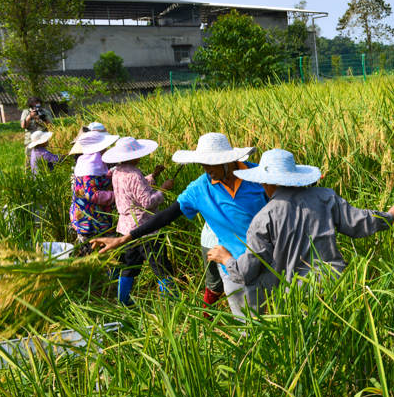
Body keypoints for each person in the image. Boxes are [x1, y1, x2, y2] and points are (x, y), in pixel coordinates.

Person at [93, 133, 267, 320]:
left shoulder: (258, 176)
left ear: (228, 160)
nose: (208, 170)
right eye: (203, 164)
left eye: (212, 163)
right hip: (234, 267)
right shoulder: (200, 189)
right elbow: (167, 215)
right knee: (248, 324)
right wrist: (125, 238)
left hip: (270, 261)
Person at [206, 149, 394, 298]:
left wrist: (226, 259)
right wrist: (389, 216)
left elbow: (247, 272)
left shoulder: (263, 219)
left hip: (297, 297)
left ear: (266, 182)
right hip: (335, 287)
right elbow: (358, 222)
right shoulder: (325, 197)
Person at [101, 136, 174, 305]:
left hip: (125, 229)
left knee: (129, 266)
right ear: (133, 156)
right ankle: (171, 302)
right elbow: (147, 202)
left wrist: (153, 175)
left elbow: (133, 189)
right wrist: (163, 189)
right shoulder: (134, 174)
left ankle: (123, 301)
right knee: (160, 266)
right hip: (145, 229)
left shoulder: (117, 171)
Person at [69, 131, 119, 254]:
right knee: (92, 251)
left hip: (90, 215)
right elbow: (92, 194)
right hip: (91, 219)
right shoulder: (89, 167)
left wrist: (111, 174)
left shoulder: (88, 162)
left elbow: (98, 181)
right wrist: (116, 195)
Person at [20, 97, 54, 162]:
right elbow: (23, 126)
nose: (36, 106)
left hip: (43, 140)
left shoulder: (45, 112)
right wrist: (30, 116)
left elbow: (51, 126)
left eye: (37, 103)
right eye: (34, 104)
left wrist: (43, 118)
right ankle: (30, 171)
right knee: (30, 160)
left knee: (45, 159)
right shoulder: (26, 112)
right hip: (30, 140)